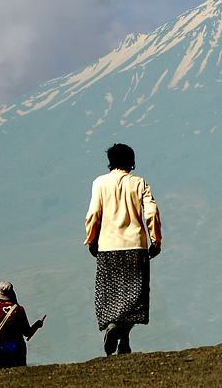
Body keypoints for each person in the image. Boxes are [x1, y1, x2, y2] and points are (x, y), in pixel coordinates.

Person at [84, 143, 162, 356]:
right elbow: (152, 213)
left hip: (107, 247)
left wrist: (91, 240)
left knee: (110, 295)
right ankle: (123, 339)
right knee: (135, 297)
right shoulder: (139, 183)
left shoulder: (99, 183)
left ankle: (114, 329)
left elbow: (93, 214)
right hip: (135, 247)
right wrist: (155, 240)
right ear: (131, 161)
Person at [0, 281, 45, 370]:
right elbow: (27, 333)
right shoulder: (19, 310)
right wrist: (37, 325)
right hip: (16, 346)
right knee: (18, 372)